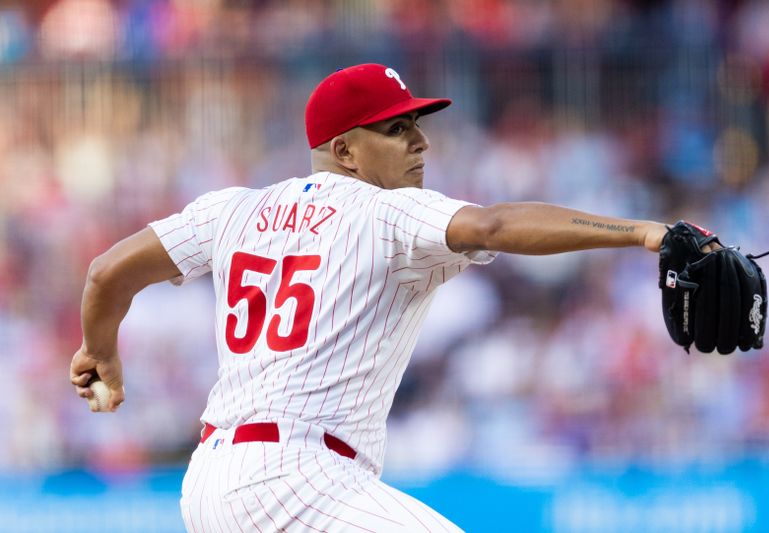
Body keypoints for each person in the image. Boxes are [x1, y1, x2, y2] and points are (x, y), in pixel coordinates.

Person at [70, 63, 668, 532]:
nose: (420, 142)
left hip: (210, 484)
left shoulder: (232, 210)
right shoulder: (385, 213)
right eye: (396, 128)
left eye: (416, 125)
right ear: (345, 151)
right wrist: (643, 232)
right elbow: (492, 226)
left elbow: (106, 274)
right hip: (298, 479)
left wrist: (101, 353)